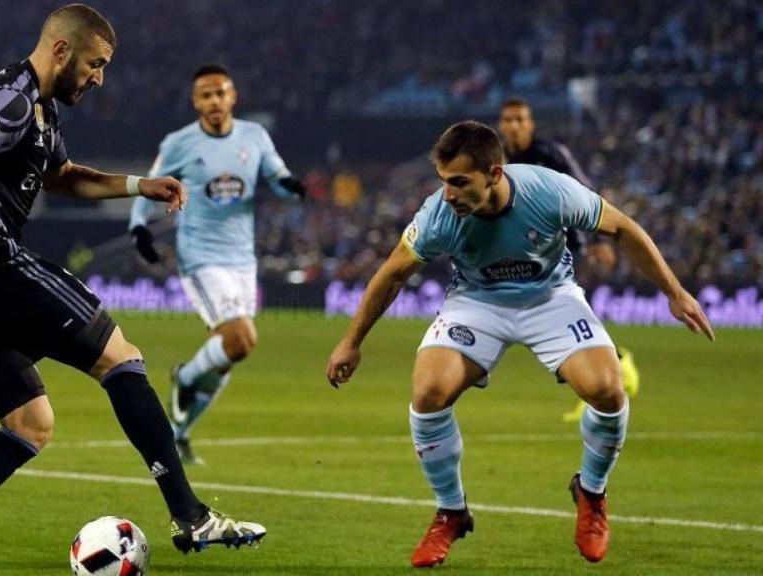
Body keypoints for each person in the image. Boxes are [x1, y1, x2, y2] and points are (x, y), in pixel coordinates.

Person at [0, 6, 265, 575]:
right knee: (122, 358)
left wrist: (141, 185)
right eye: (96, 64)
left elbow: (63, 177)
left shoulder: (38, 110)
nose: (99, 78)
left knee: (30, 423)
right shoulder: (12, 99)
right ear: (62, 51)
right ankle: (191, 516)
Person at [327, 121, 713, 567]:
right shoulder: (438, 216)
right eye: (442, 182)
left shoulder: (548, 191)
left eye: (458, 182)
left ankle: (591, 492)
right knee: (427, 393)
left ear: (494, 174)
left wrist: (674, 291)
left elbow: (622, 228)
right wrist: (350, 342)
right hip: (476, 303)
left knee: (608, 390)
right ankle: (451, 511)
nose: (448, 194)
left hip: (550, 298)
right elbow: (393, 273)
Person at [128, 63, 305, 464]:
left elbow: (277, 174)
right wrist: (139, 226)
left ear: (233, 97)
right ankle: (185, 376)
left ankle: (180, 432)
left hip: (243, 259)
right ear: (195, 102)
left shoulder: (254, 136)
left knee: (229, 355)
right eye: (206, 95)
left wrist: (290, 186)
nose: (214, 101)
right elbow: (149, 185)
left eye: (220, 93)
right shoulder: (179, 143)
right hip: (201, 258)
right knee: (241, 338)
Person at [499, 98, 641, 422]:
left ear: (530, 123)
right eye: (508, 120)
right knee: (558, 317)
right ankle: (611, 367)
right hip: (529, 251)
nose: (514, 126)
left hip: (565, 245)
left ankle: (604, 379)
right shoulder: (500, 161)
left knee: (558, 315)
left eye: (520, 119)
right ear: (501, 125)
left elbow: (585, 193)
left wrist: (593, 240)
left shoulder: (550, 154)